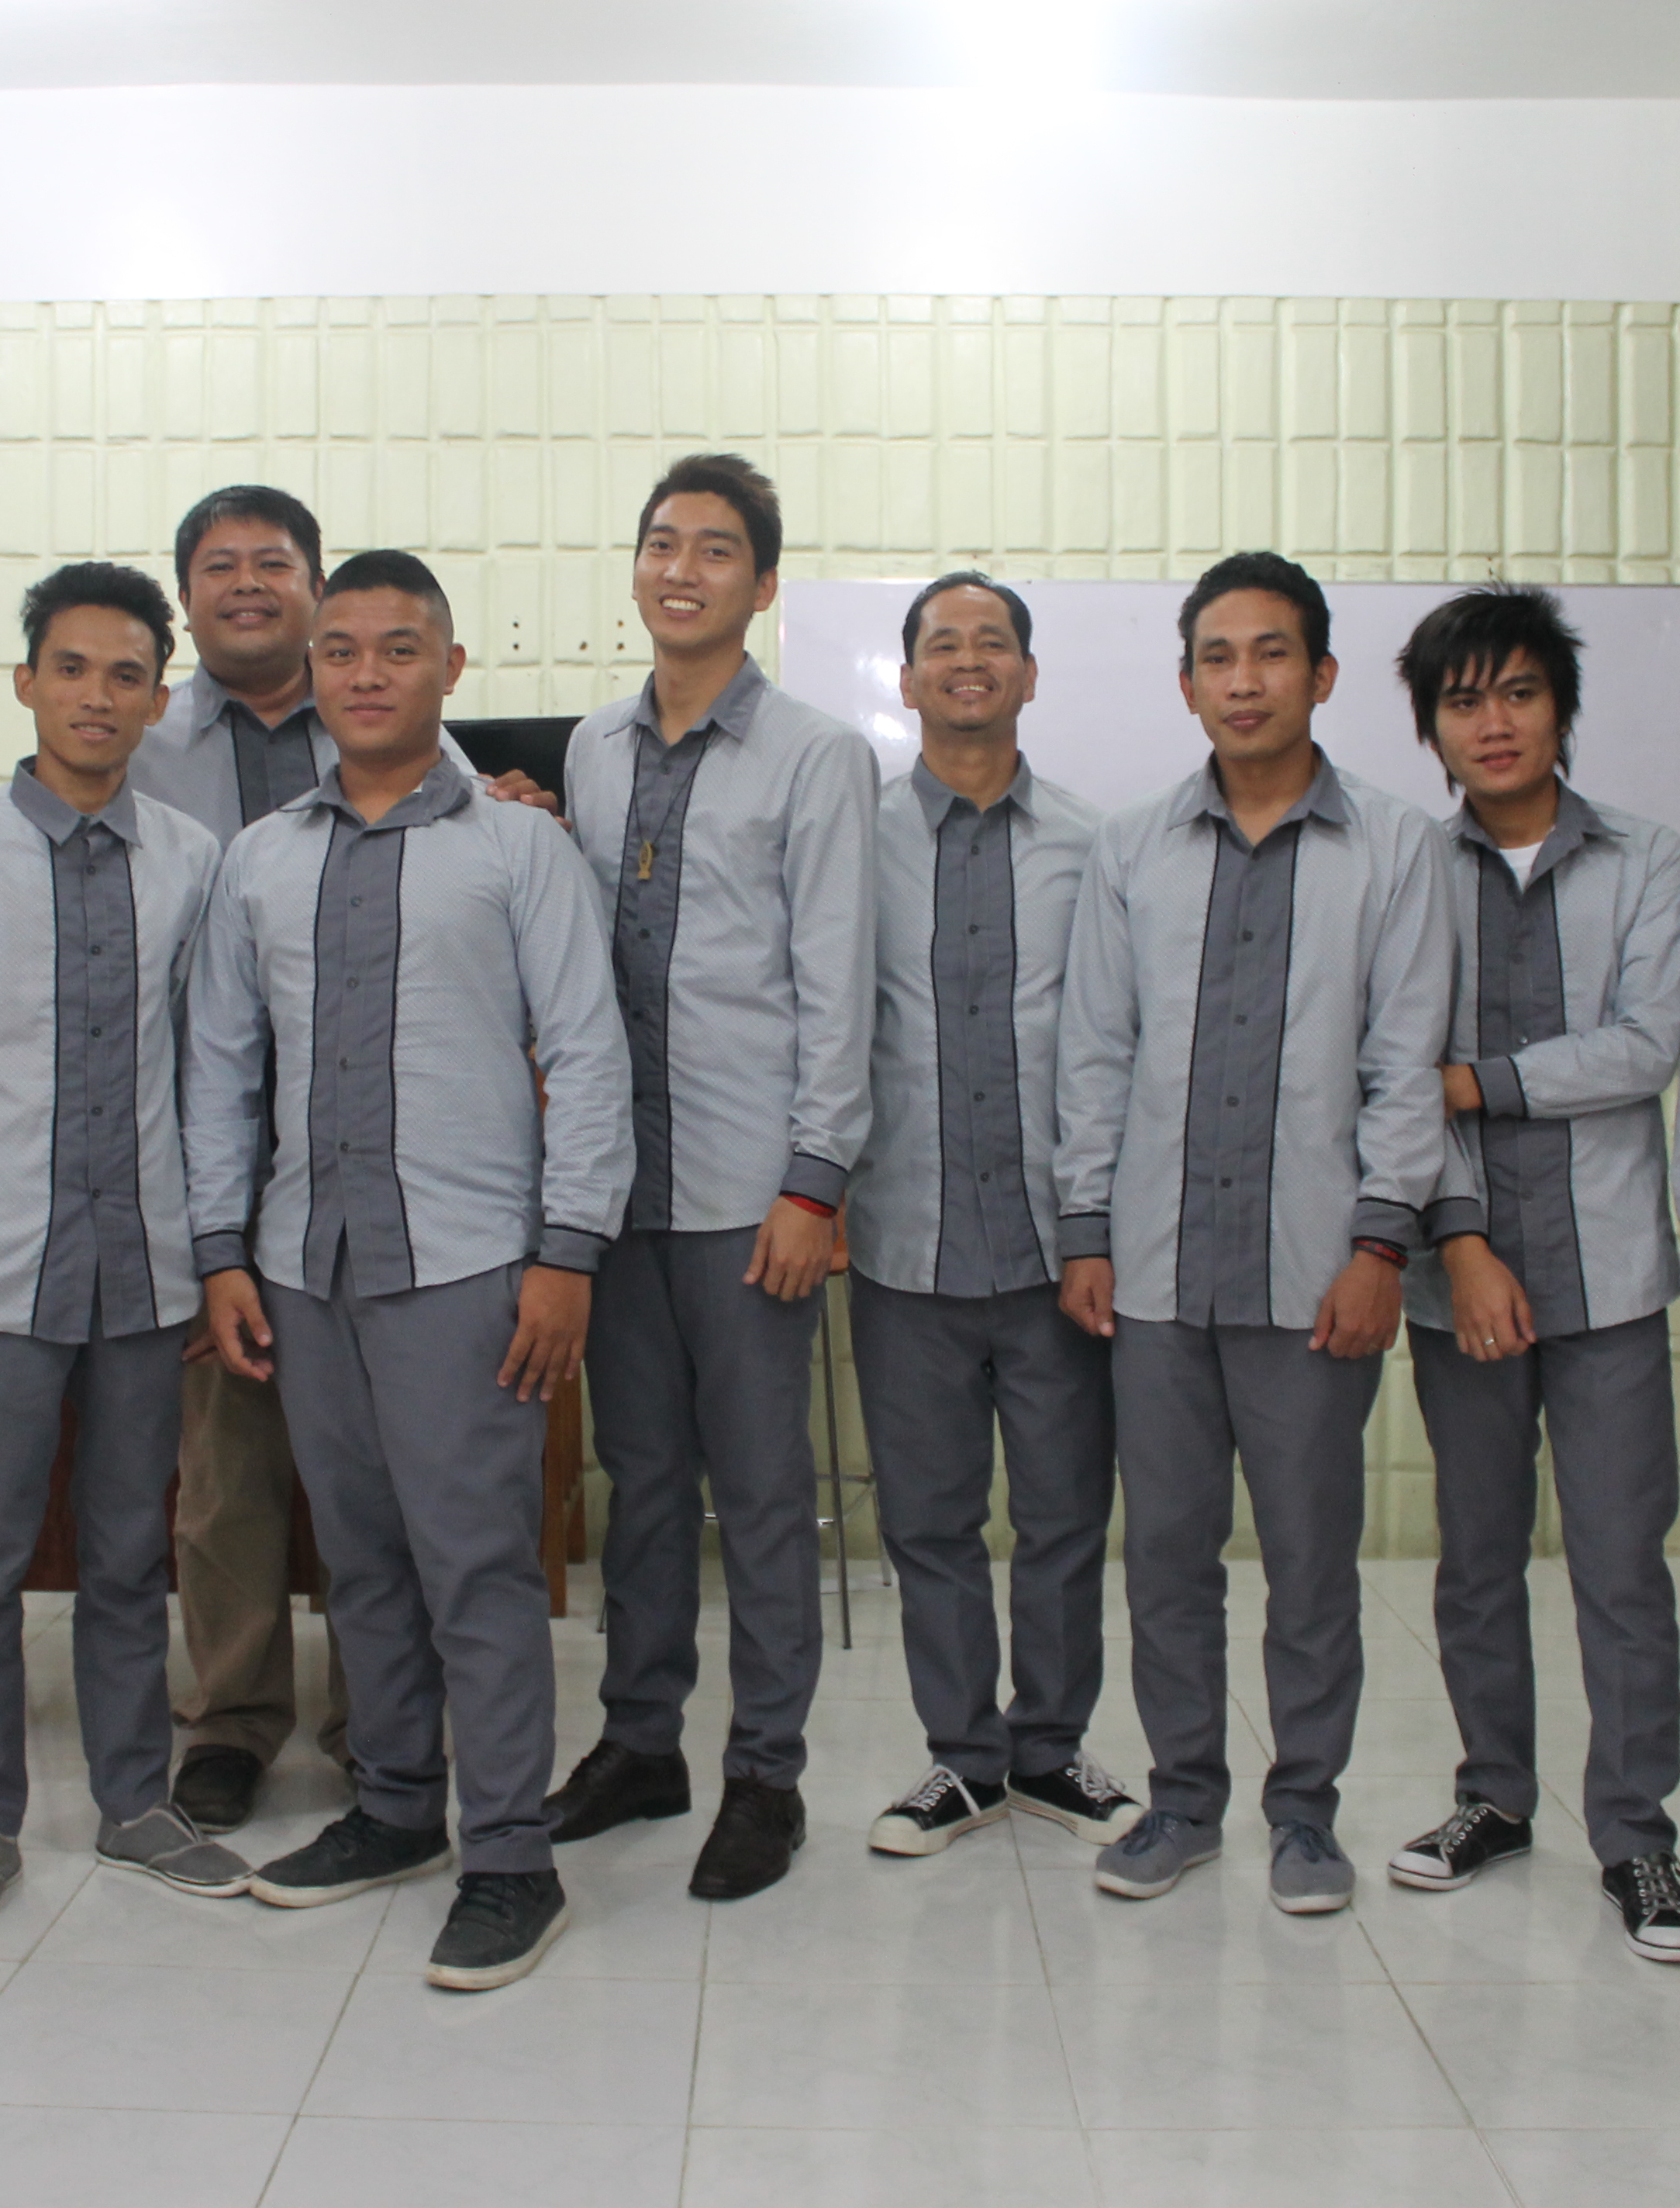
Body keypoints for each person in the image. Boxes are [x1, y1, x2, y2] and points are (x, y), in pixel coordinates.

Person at [189, 550, 633, 1989]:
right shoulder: (263, 860)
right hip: (306, 1265)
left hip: (468, 1268)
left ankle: (509, 1856)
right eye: (342, 650)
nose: (368, 673)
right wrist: (222, 1253)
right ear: (311, 670)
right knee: (360, 1562)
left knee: (479, 1567)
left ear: (450, 667)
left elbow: (588, 1055)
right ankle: (392, 1809)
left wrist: (567, 1255)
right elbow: (222, 1070)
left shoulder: (519, 849)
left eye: (399, 648)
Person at [0, 485, 352, 1834]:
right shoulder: (128, 769)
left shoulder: (375, 713)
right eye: (218, 565)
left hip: (334, 1163)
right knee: (215, 1486)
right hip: (160, 1190)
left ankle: (382, 1724)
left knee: (364, 1480)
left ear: (316, 587)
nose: (247, 583)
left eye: (273, 563)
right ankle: (227, 1722)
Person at [0, 561, 251, 1936]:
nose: (96, 696)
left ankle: (136, 1804)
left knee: (131, 1554)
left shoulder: (189, 862)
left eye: (126, 674)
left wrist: (211, 1252)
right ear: (27, 683)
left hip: (143, 1273)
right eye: (71, 669)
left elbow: (210, 1074)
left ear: (157, 697)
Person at [1054, 551, 1451, 1913]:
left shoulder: (1397, 849)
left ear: (1322, 675)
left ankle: (1306, 1816)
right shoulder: (1129, 850)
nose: (1245, 681)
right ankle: (1181, 1804)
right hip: (1157, 1276)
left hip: (1316, 1275)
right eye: (1217, 658)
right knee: (1167, 1560)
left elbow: (1406, 1065)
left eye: (1272, 653)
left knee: (1309, 1567)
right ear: (1186, 686)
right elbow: (1096, 1052)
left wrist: (1381, 1245)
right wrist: (1088, 1228)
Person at [533, 453, 878, 1903]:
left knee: (761, 1491)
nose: (682, 569)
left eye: (716, 549)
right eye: (662, 543)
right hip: (620, 1191)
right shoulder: (593, 748)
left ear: (764, 583)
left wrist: (814, 1183)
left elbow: (840, 985)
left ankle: (766, 1775)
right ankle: (641, 1744)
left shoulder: (816, 756)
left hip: (749, 1196)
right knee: (641, 1481)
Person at [1378, 585, 1680, 1963]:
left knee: (1623, 1565)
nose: (1494, 722)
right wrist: (1460, 1239)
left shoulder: (1651, 861)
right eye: (1463, 702)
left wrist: (1479, 1081)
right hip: (1456, 1274)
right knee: (1476, 1559)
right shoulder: (1408, 869)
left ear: (1563, 709)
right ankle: (1494, 1798)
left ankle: (1638, 1839)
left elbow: (1646, 1045)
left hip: (1610, 1270)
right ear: (1432, 730)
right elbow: (1396, 1073)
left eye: (1519, 693)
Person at [846, 573, 1137, 1861]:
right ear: (909, 680)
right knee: (929, 1521)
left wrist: (1094, 1224)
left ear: (1028, 675)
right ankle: (962, 1761)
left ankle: (1052, 1751)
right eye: (942, 645)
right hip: (900, 1240)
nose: (969, 661)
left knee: (1065, 1516)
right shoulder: (852, 839)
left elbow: (1112, 1043)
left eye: (994, 643)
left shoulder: (1094, 845)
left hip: (1052, 1249)